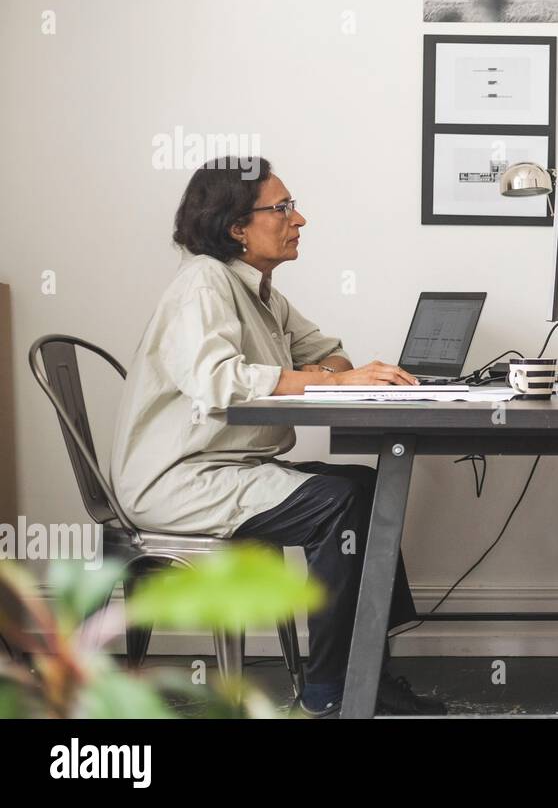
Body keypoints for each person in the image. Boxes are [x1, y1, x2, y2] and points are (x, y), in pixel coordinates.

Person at [111, 156, 441, 717]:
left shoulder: (261, 292)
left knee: (364, 487)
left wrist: (334, 373)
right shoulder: (204, 284)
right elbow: (219, 380)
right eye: (283, 208)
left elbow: (328, 351)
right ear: (237, 227)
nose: (300, 219)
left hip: (232, 468)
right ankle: (332, 688)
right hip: (182, 478)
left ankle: (365, 671)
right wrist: (332, 378)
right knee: (343, 502)